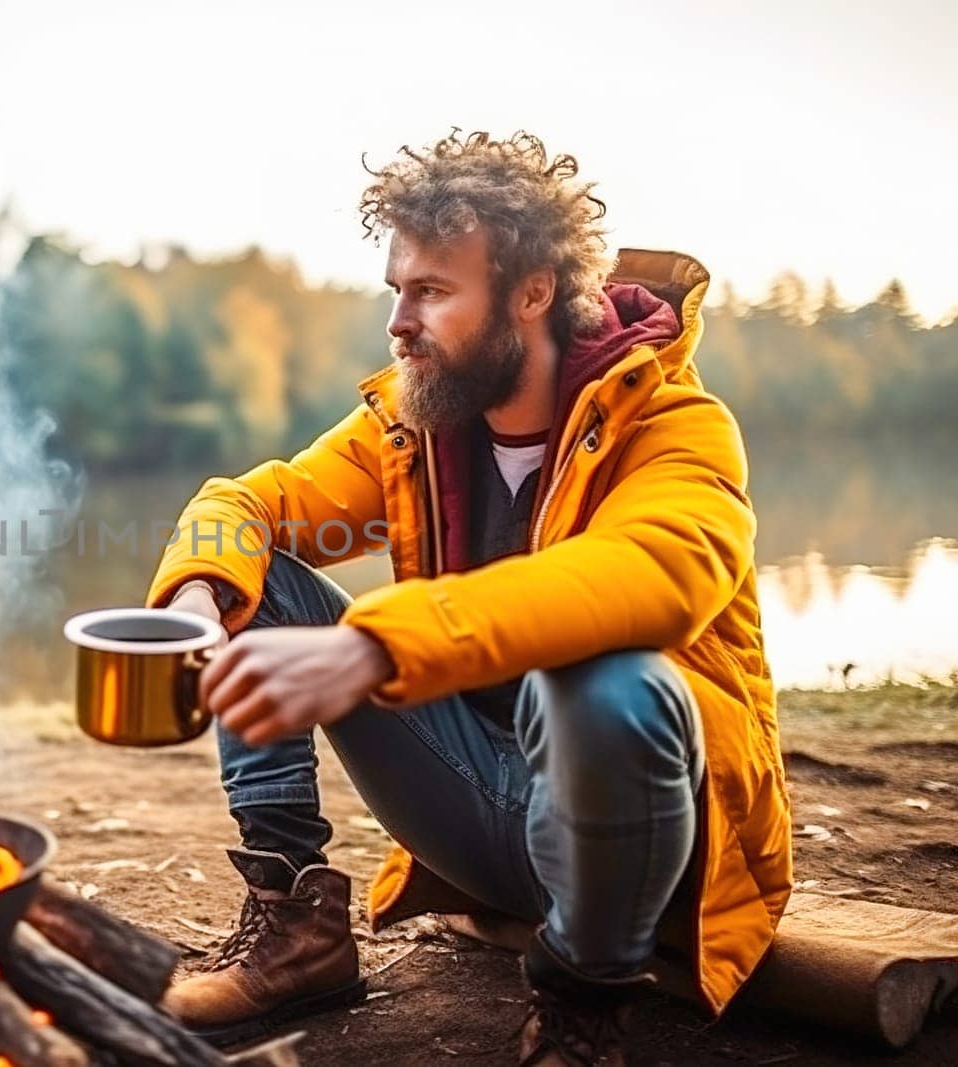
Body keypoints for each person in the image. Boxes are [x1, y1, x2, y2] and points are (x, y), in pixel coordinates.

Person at [145, 130, 791, 1066]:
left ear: (532, 292)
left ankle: (579, 1005)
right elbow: (249, 502)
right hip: (472, 809)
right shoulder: (420, 420)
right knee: (261, 578)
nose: (399, 322)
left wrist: (376, 644)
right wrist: (201, 591)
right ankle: (296, 921)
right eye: (396, 291)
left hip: (636, 847)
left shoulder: (677, 425)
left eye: (432, 292)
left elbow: (656, 577)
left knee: (609, 681)